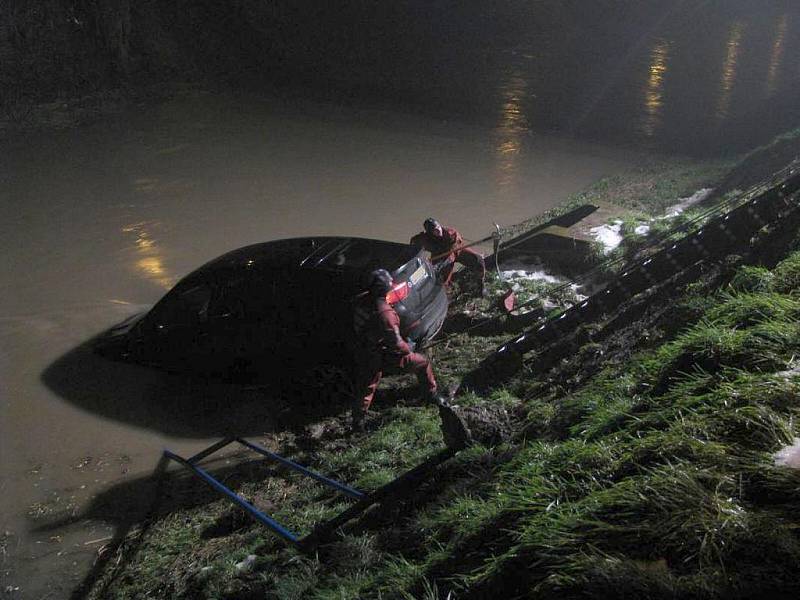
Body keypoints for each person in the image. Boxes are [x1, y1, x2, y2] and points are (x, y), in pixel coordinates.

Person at [353, 269, 471, 448]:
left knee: (367, 385)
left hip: (365, 349)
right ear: (384, 288)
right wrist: (408, 348)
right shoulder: (384, 313)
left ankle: (358, 420)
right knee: (422, 362)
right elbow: (395, 342)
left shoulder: (362, 302)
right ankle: (431, 394)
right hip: (384, 354)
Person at [410, 218, 487, 295]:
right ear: (430, 233)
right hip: (440, 256)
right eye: (435, 230)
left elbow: (453, 246)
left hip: (457, 251)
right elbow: (413, 242)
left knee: (478, 261)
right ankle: (444, 292)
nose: (439, 230)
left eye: (438, 227)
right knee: (442, 279)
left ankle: (480, 285)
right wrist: (420, 256)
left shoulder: (450, 234)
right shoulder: (424, 238)